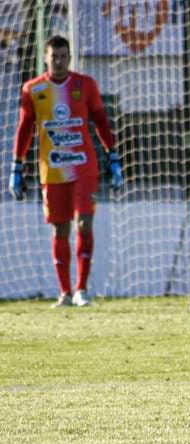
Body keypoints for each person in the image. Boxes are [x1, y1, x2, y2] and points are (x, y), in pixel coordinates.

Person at [9, 35, 123, 308]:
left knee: (84, 222)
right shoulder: (33, 89)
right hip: (52, 170)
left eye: (63, 56)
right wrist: (17, 166)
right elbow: (24, 129)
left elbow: (101, 122)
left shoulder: (85, 85)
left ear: (69, 58)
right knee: (60, 230)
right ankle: (65, 293)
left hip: (84, 166)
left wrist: (113, 156)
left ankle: (82, 289)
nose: (58, 61)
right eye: (53, 57)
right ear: (45, 58)